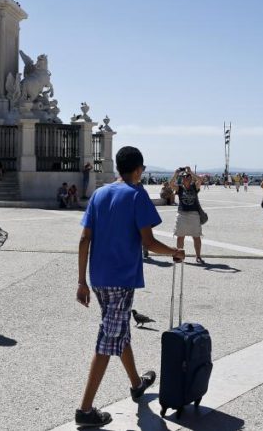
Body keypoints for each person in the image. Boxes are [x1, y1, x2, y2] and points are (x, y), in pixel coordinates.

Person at [75, 146, 185, 428]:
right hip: (121, 280)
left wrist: (81, 281)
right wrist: (174, 250)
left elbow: (84, 239)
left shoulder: (99, 194)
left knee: (118, 328)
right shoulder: (137, 195)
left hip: (98, 278)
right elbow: (148, 242)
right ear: (137, 170)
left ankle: (136, 384)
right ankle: (85, 410)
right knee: (107, 340)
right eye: (142, 169)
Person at [170, 166, 206, 264]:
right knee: (180, 236)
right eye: (184, 176)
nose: (186, 177)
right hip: (182, 214)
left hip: (194, 214)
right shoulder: (180, 188)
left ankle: (198, 256)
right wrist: (175, 174)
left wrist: (191, 172)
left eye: (188, 176)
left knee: (196, 237)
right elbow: (171, 184)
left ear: (190, 178)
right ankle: (179, 256)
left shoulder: (194, 187)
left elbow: (200, 180)